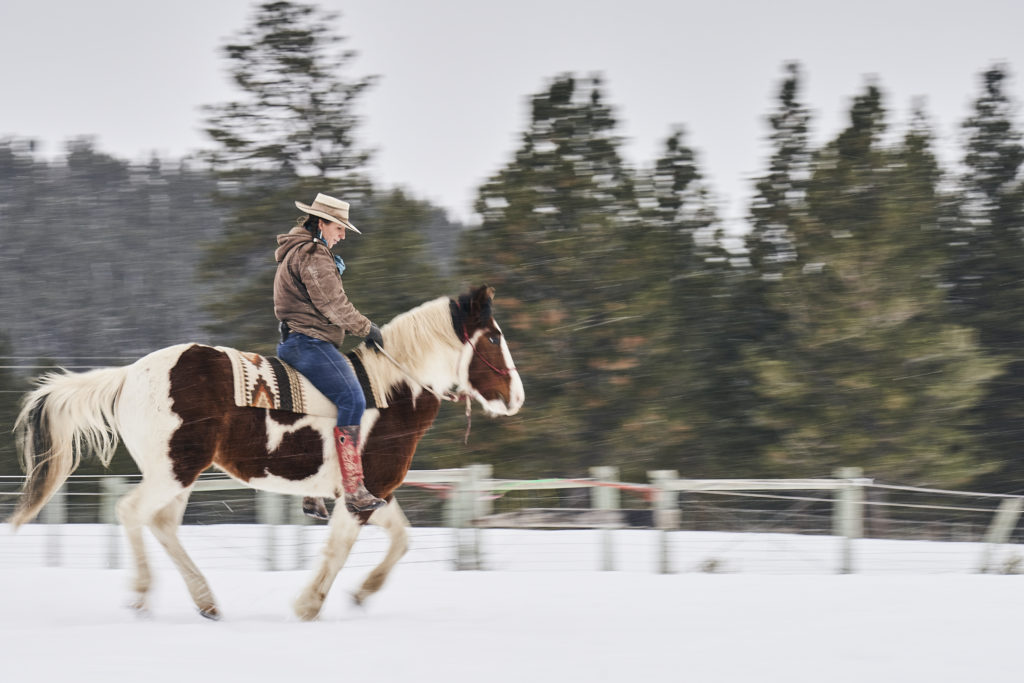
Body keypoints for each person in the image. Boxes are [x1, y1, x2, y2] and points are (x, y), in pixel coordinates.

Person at [274, 192, 386, 518]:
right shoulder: (313, 254)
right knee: (354, 400)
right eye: (339, 226)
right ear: (321, 223)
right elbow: (333, 304)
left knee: (327, 409)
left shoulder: (299, 250)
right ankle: (353, 488)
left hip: (300, 341)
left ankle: (314, 488)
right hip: (311, 343)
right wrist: (368, 329)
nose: (343, 234)